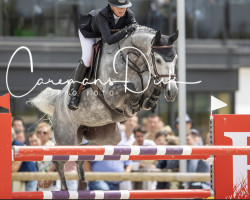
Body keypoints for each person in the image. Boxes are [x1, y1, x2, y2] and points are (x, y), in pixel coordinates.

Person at [68, 0, 137, 110]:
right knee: (87, 57)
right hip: (89, 31)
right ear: (111, 6)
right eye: (118, 7)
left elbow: (134, 27)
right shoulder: (102, 15)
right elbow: (109, 39)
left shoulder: (129, 14)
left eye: (124, 7)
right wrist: (127, 30)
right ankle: (75, 93)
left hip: (107, 34)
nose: (122, 9)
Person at [35, 122, 58, 191]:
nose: (42, 134)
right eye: (39, 132)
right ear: (37, 134)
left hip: (52, 183)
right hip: (40, 183)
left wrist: (48, 177)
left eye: (44, 132)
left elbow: (57, 163)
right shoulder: (36, 148)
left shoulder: (53, 146)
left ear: (50, 134)